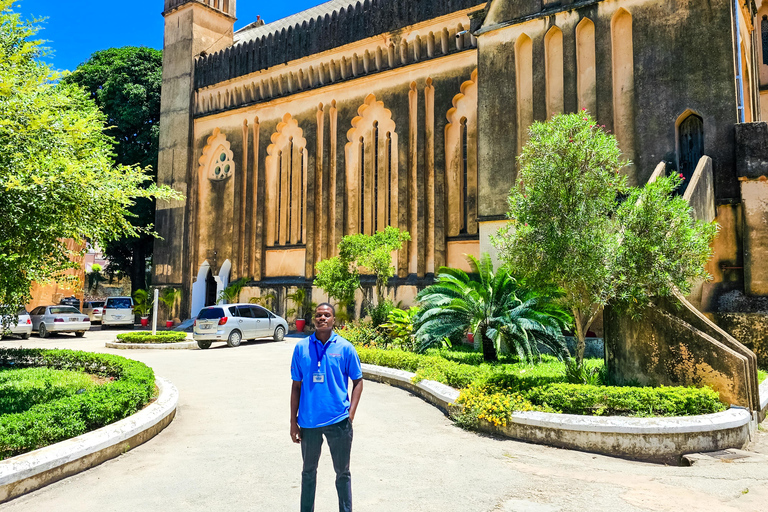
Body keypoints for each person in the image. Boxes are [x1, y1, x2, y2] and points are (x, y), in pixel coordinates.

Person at [290, 303, 363, 512]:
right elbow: (296, 386)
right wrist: (293, 422)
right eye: (319, 315)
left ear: (334, 320)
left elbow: (358, 381)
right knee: (308, 472)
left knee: (342, 473)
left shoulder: (345, 348)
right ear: (315, 320)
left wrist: (350, 415)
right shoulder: (301, 348)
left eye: (327, 315)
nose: (322, 318)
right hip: (308, 422)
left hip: (339, 421)